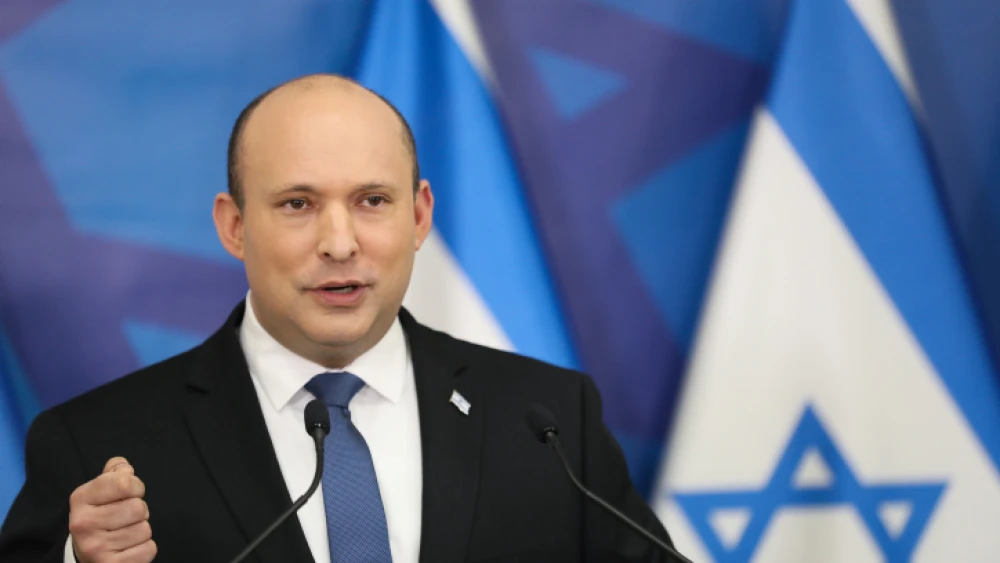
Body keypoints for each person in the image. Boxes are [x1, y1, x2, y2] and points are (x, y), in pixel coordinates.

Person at [0, 74, 674, 563]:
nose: (340, 242)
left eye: (372, 200)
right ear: (234, 227)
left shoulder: (549, 421)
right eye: (297, 203)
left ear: (419, 216)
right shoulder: (101, 446)